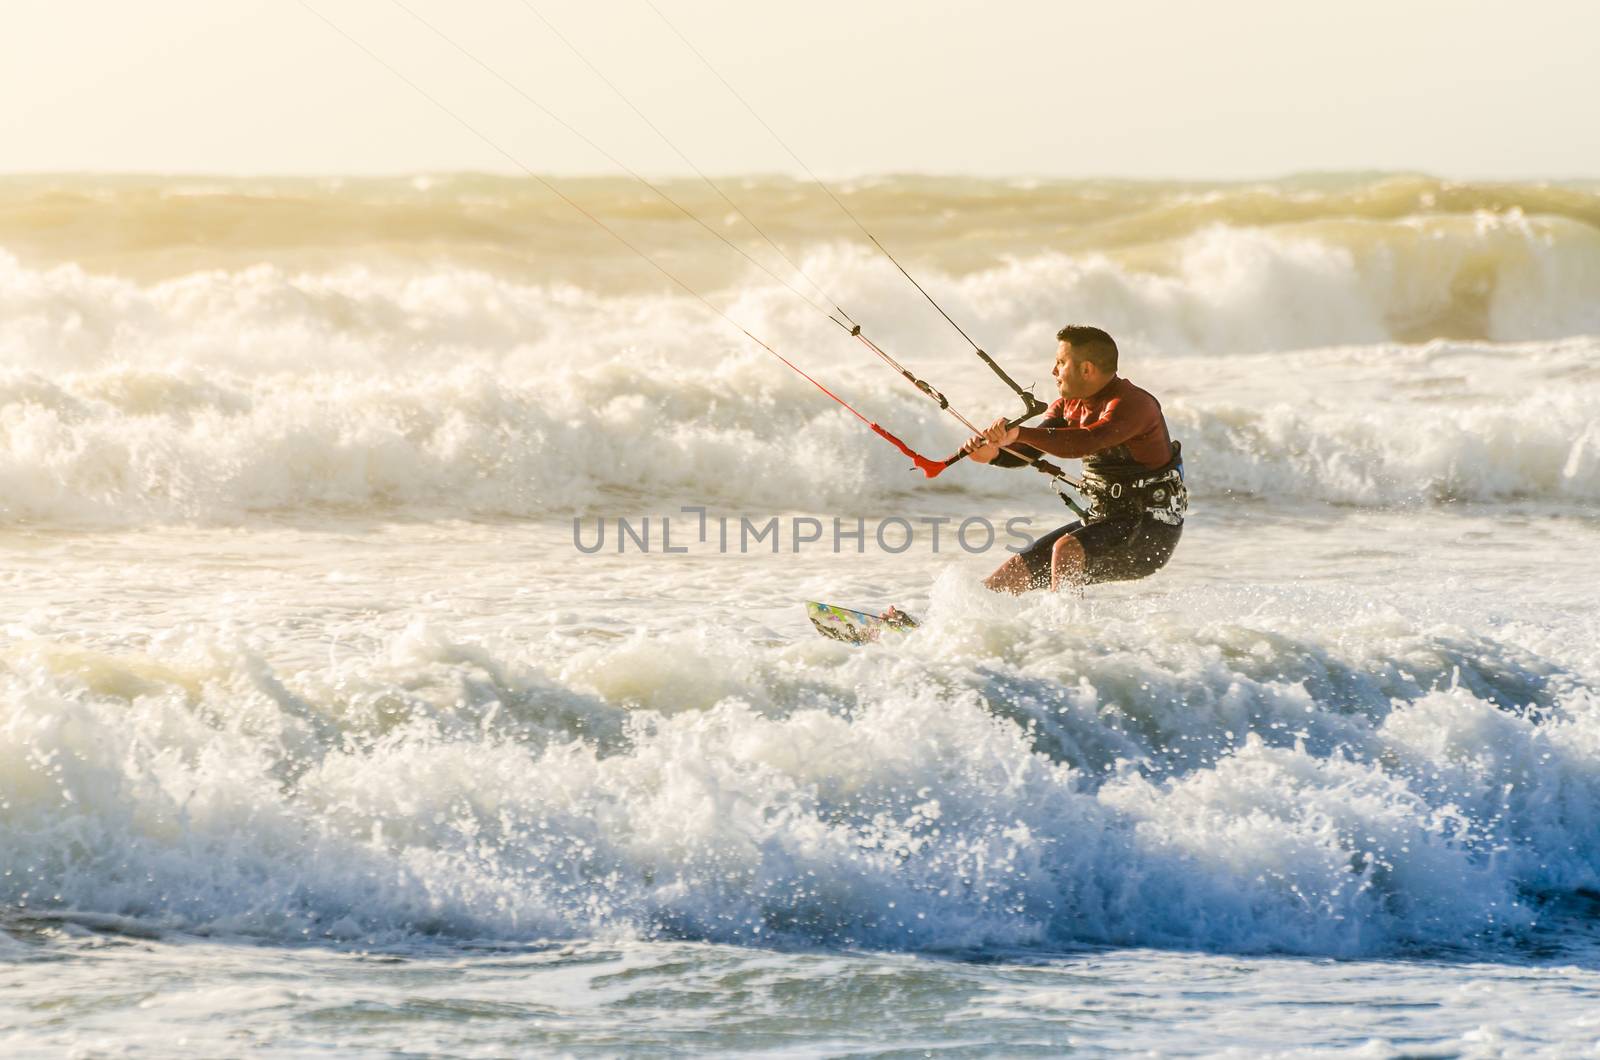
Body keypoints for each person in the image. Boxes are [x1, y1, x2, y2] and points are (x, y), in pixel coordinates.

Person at [964, 325, 1186, 593]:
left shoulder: (1132, 405)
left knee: (1066, 549)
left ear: (1086, 369)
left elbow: (1085, 441)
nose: (1053, 371)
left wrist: (1018, 433)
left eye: (1060, 362)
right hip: (1104, 520)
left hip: (1151, 530)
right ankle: (934, 626)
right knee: (1012, 573)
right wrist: (994, 454)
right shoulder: (1068, 405)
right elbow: (1028, 453)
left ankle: (1067, 629)